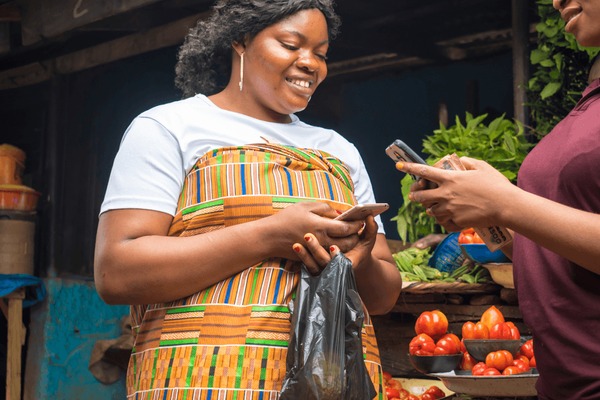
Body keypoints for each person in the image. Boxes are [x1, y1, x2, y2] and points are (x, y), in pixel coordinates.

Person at [93, 0, 402, 398]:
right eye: (291, 45)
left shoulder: (339, 150)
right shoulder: (169, 128)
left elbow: (384, 296)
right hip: (197, 380)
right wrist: (271, 236)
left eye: (321, 54)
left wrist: (352, 262)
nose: (310, 63)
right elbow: (116, 272)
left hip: (327, 384)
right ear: (240, 39)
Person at [395, 1, 600, 398]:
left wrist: (506, 202)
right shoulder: (589, 99)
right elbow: (560, 254)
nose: (556, 1)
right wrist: (493, 219)